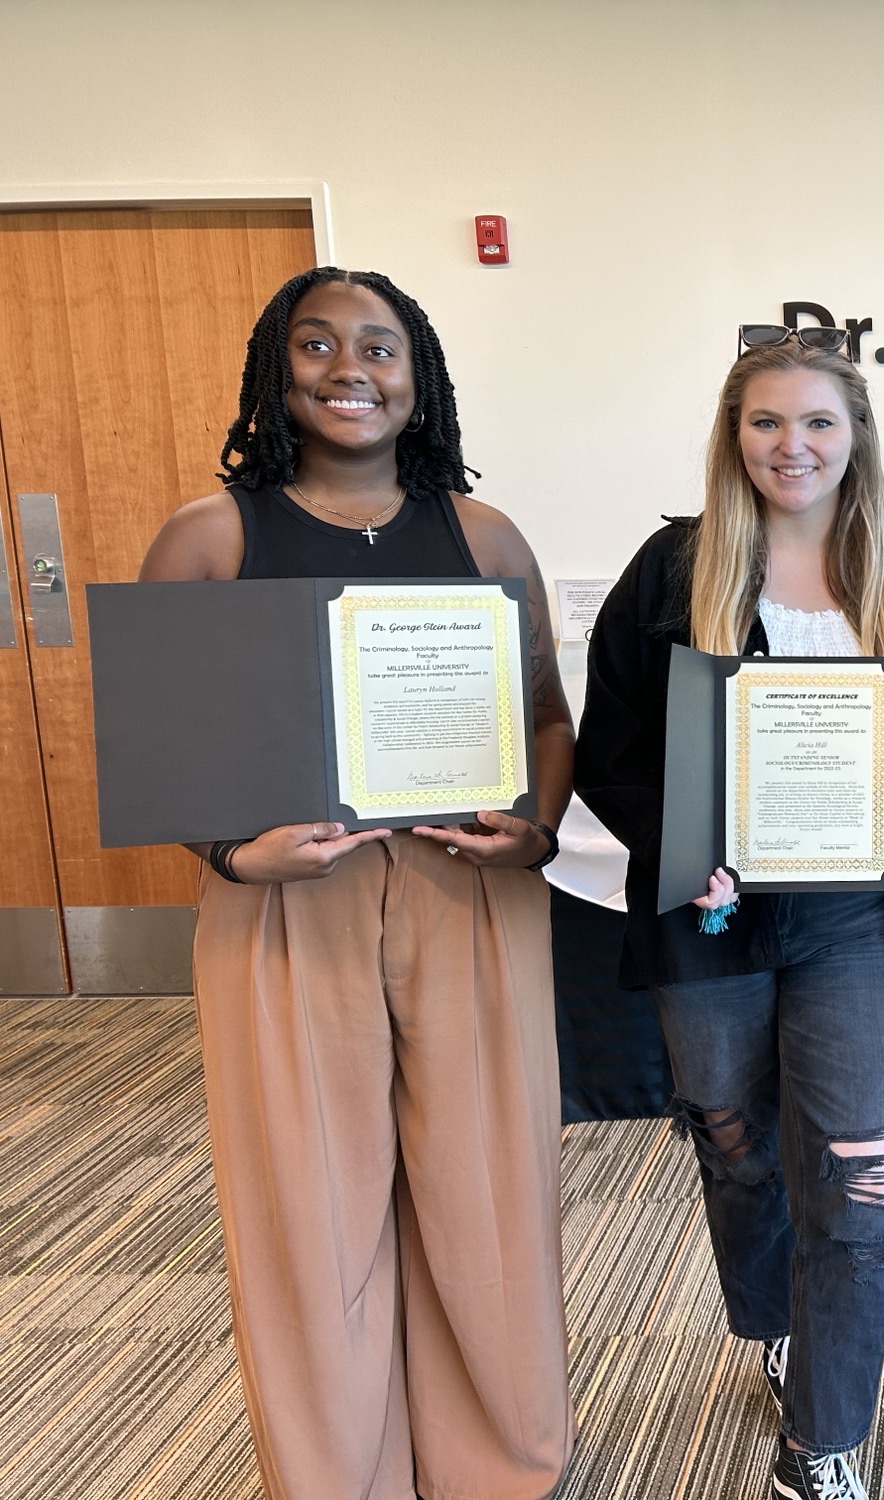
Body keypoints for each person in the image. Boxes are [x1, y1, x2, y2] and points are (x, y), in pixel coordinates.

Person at [137, 268, 576, 1499]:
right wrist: (233, 849)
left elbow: (545, 719)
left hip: (468, 895)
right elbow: (157, 737)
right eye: (316, 345)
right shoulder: (210, 536)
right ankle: (340, 1476)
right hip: (283, 905)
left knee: (486, 1191)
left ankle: (502, 1466)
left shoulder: (482, 535)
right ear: (276, 371)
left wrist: (532, 828)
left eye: (380, 348)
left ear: (418, 375)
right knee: (308, 1207)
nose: (350, 369)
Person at [574, 334, 884, 1500]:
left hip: (858, 923)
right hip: (711, 922)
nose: (789, 447)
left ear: (855, 438)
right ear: (731, 433)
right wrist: (679, 846)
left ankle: (825, 1440)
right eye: (764, 422)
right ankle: (778, 1329)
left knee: (860, 1174)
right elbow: (610, 752)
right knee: (737, 1150)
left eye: (815, 423)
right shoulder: (671, 574)